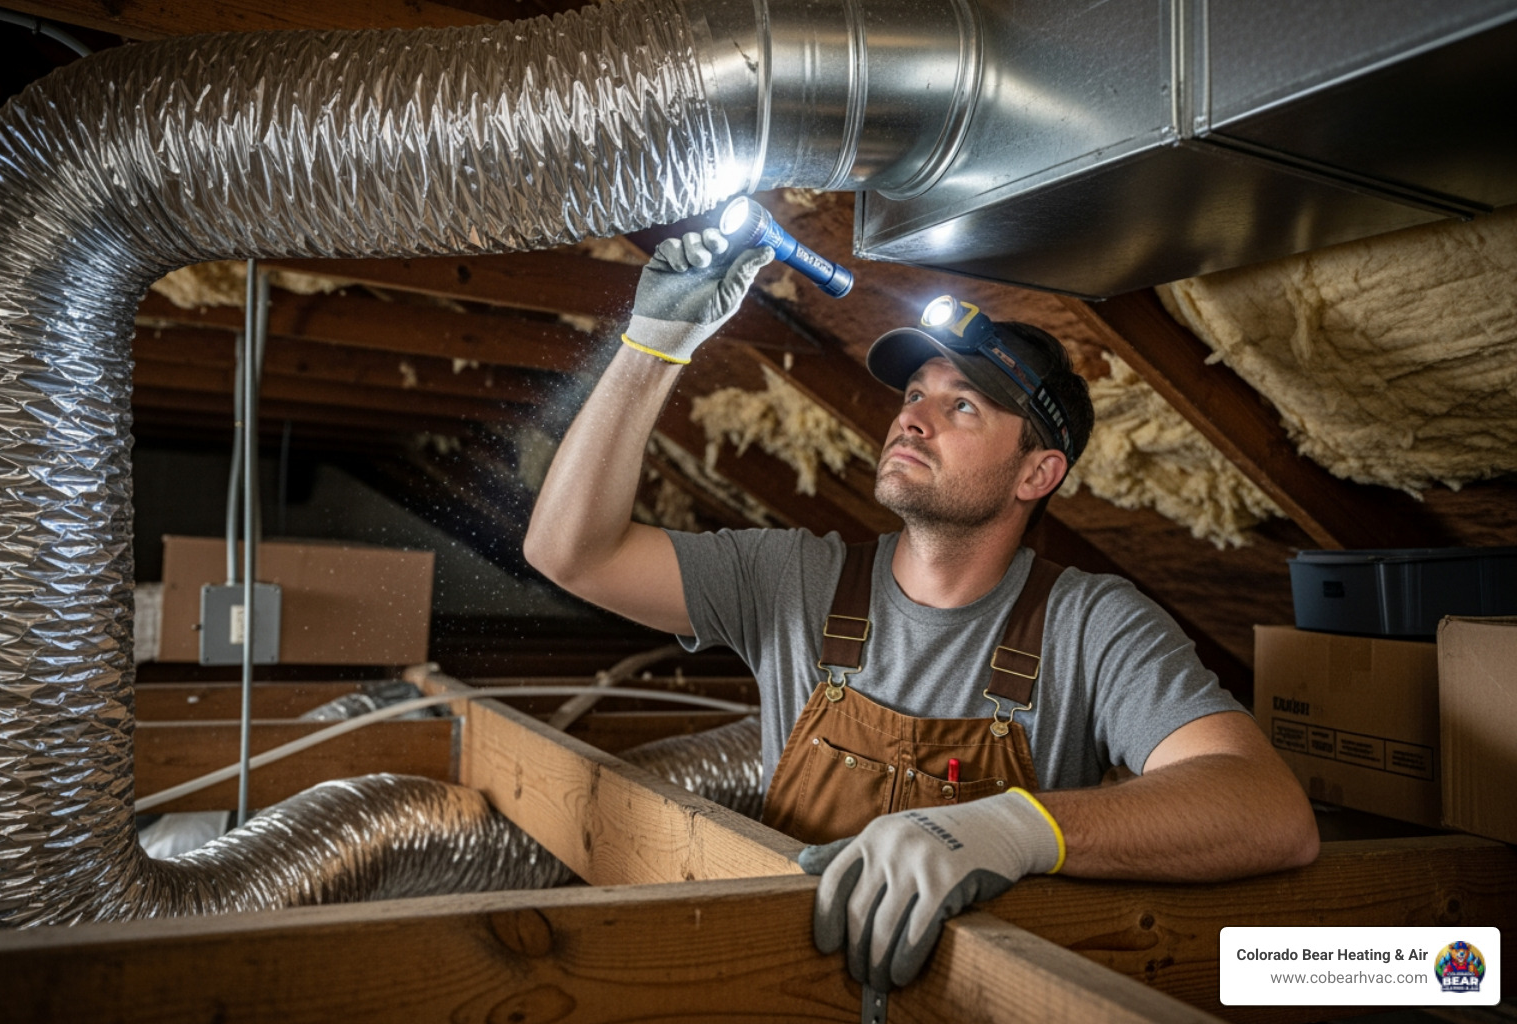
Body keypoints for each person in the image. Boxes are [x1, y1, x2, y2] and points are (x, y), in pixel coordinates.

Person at [524, 226, 1319, 994]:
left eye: (962, 405)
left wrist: (1016, 829)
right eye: (914, 394)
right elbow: (571, 552)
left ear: (1036, 474)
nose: (911, 417)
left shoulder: (1093, 626)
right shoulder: (792, 579)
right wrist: (654, 343)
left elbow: (1269, 810)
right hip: (782, 993)